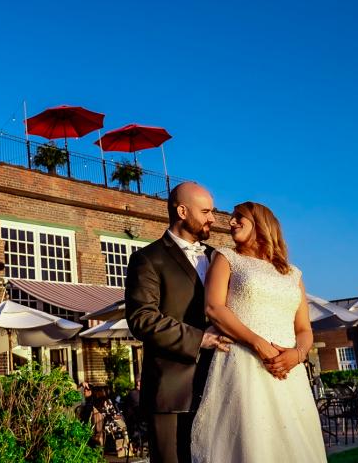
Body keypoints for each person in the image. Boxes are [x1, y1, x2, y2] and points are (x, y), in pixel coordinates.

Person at [190, 202, 327, 462]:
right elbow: (214, 308)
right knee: (252, 444)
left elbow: (304, 329)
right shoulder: (226, 257)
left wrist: (297, 356)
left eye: (238, 217)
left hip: (288, 373)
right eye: (231, 218)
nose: (230, 223)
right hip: (244, 365)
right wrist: (258, 343)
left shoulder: (293, 273)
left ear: (262, 223)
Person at [125, 182, 232, 463]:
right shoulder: (147, 259)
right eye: (206, 211)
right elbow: (142, 318)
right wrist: (201, 338)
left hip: (222, 384)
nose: (213, 219)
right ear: (182, 211)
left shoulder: (218, 258)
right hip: (172, 392)